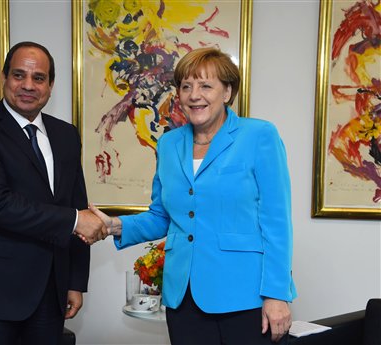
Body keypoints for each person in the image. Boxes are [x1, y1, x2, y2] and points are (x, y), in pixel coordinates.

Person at [89, 47, 297, 345]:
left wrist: (277, 294)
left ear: (227, 92)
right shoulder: (169, 144)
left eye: (205, 85)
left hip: (245, 296)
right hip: (183, 298)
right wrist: (112, 226)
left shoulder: (259, 136)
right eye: (186, 86)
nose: (194, 94)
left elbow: (277, 222)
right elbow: (162, 216)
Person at [0, 41, 106, 344]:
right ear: (5, 78)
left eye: (38, 78)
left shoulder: (66, 135)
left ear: (50, 85)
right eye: (19, 75)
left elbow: (76, 203)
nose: (28, 86)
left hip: (50, 292)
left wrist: (75, 282)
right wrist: (75, 220)